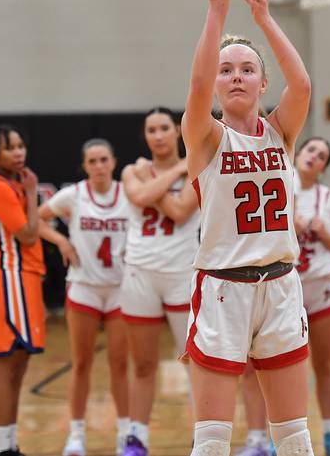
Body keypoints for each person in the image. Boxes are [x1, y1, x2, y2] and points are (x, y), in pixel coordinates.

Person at [181, 0, 312, 456]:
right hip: (222, 289)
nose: (236, 76)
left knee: (295, 438)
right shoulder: (207, 139)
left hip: (280, 285)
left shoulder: (281, 132)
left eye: (248, 69)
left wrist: (265, 20)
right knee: (212, 442)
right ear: (216, 83)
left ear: (262, 82)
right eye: (226, 69)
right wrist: (218, 8)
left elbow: (301, 85)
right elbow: (194, 87)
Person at [238, 137, 330, 456]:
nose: (315, 156)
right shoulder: (273, 183)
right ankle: (262, 440)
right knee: (260, 366)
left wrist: (325, 233)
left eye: (322, 155)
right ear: (298, 153)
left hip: (321, 288)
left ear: (324, 168)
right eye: (311, 150)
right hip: (278, 290)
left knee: (325, 365)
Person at [39, 139, 130, 456]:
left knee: (120, 365)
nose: (99, 166)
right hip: (83, 287)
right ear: (84, 166)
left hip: (120, 289)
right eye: (92, 161)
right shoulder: (74, 195)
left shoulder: (127, 193)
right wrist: (61, 241)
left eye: (104, 159)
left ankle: (125, 433)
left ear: (113, 162)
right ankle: (76, 434)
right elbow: (37, 219)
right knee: (81, 364)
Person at [120, 107, 201, 456]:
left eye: (164, 128)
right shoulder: (129, 171)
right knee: (142, 364)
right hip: (139, 273)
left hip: (182, 273)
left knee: (194, 362)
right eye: (151, 130)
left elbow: (182, 212)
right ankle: (136, 438)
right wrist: (171, 175)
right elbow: (138, 198)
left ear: (177, 132)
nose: (158, 135)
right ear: (146, 135)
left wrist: (164, 176)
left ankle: (203, 437)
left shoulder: (195, 167)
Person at [0, 125, 44, 456]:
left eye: (21, 146)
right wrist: (32, 193)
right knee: (6, 364)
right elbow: (29, 236)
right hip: (9, 278)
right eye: (10, 148)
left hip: (22, 278)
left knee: (18, 365)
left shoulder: (11, 184)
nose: (18, 152)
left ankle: (8, 444)